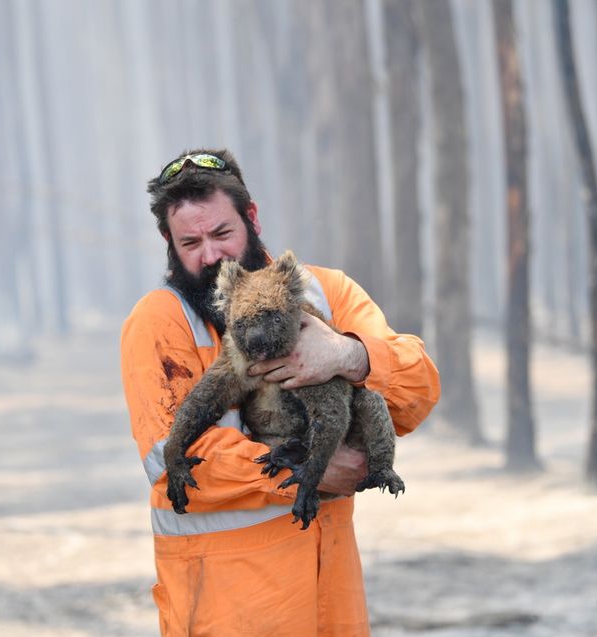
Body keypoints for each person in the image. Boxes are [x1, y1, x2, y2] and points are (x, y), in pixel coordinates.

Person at [120, 148, 440, 636]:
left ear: (252, 217)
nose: (210, 255)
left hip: (332, 603)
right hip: (225, 612)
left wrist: (349, 356)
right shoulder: (160, 322)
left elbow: (418, 389)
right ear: (168, 241)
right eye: (190, 241)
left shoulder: (323, 292)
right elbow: (170, 459)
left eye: (222, 233)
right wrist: (302, 472)